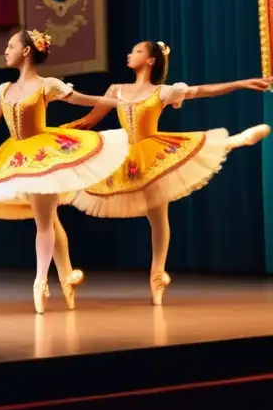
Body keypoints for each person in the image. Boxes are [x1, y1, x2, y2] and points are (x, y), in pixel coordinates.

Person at [59, 40, 271, 305]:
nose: (129, 54)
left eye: (136, 51)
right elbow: (89, 120)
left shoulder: (162, 92)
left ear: (150, 60)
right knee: (125, 202)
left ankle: (157, 274)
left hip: (154, 153)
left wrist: (240, 83)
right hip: (124, 153)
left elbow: (203, 91)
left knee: (158, 215)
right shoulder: (116, 90)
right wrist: (56, 134)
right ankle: (234, 141)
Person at [0, 29, 128, 314]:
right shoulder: (3, 89)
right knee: (48, 219)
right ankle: (66, 277)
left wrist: (120, 103)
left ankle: (41, 282)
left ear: (26, 51)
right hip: (17, 156)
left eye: (10, 45)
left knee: (44, 222)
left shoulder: (46, 85)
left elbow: (83, 99)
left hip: (44, 156)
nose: (5, 50)